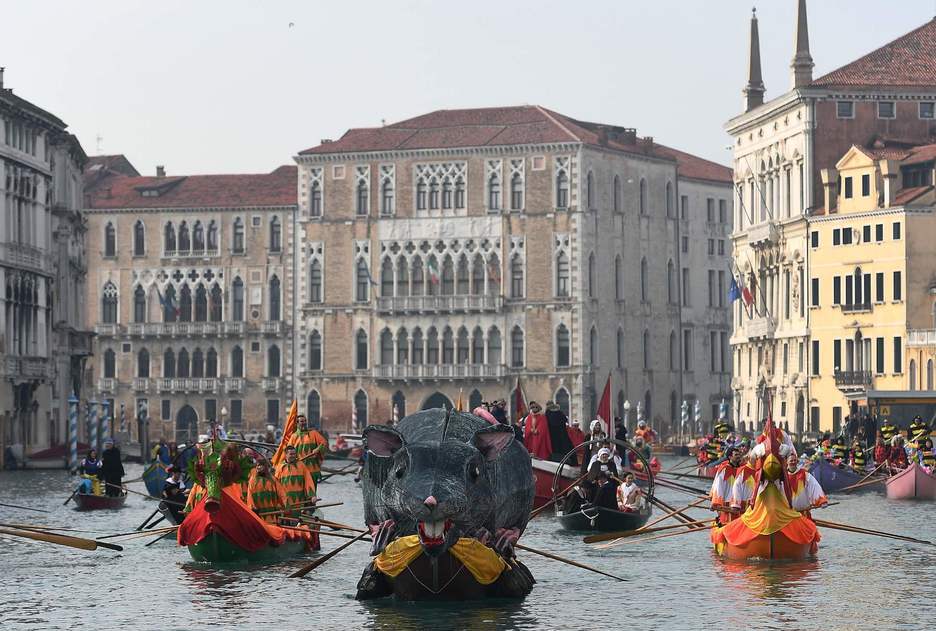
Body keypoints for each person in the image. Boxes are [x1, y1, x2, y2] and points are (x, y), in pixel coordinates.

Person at [275, 445, 318, 513]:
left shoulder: (301, 465)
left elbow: (308, 481)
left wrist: (312, 495)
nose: (293, 456)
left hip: (298, 501)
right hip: (285, 502)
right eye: (291, 454)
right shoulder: (280, 467)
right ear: (286, 454)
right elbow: (276, 484)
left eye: (294, 454)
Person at [784, 452, 828, 516]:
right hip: (787, 515)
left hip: (804, 514)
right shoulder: (783, 476)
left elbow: (814, 486)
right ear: (787, 462)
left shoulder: (804, 474)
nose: (793, 462)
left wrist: (822, 501)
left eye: (795, 460)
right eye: (791, 461)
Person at [288, 414, 329, 483]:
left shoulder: (314, 433)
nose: (304, 423)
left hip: (312, 468)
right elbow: (288, 451)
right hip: (299, 467)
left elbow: (324, 443)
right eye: (302, 421)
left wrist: (317, 449)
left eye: (305, 421)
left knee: (312, 488)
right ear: (297, 423)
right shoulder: (293, 436)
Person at [247, 459, 288, 524]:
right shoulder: (252, 480)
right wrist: (252, 508)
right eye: (257, 466)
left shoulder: (273, 479)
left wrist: (286, 505)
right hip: (259, 515)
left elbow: (281, 493)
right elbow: (250, 496)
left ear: (265, 467)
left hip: (272, 515)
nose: (258, 467)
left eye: (261, 465)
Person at [710, 446, 744, 523]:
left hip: (739, 505)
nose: (738, 456)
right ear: (730, 457)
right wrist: (717, 503)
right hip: (727, 505)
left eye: (739, 454)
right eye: (736, 455)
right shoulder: (724, 469)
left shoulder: (742, 469)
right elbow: (719, 487)